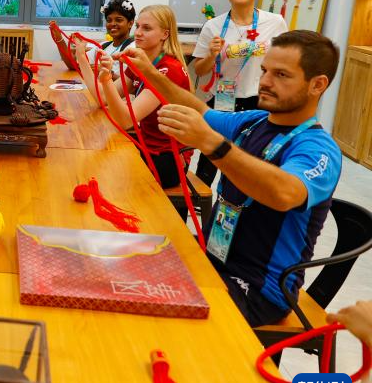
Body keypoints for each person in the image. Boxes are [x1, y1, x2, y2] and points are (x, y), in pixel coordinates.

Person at [122, 30, 342, 327]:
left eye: (281, 75)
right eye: (264, 71)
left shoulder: (317, 149)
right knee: (123, 267)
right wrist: (149, 72)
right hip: (212, 259)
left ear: (317, 84)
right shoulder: (253, 122)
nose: (265, 82)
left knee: (148, 311)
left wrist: (213, 145)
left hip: (258, 290)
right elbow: (198, 109)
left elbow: (284, 193)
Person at [73, 4, 192, 188]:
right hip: (147, 146)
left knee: (102, 172)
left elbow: (126, 120)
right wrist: (82, 59)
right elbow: (102, 98)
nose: (138, 33)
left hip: (167, 159)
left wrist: (106, 80)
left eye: (147, 28)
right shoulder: (142, 62)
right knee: (92, 156)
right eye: (138, 26)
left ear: (165, 34)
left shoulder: (169, 70)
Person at [192, 0, 287, 185]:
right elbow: (199, 69)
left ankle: (242, 199)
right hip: (223, 99)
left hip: (260, 101)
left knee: (251, 159)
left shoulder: (275, 22)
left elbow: (285, 60)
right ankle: (201, 199)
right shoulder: (213, 26)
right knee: (210, 157)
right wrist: (212, 54)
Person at [50, 0, 136, 78]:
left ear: (130, 23)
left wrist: (105, 72)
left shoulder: (133, 49)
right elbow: (74, 65)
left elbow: (132, 83)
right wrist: (59, 39)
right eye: (109, 20)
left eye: (119, 20)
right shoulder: (103, 46)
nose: (112, 24)